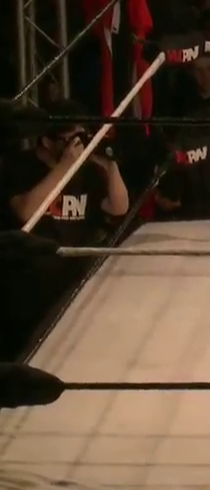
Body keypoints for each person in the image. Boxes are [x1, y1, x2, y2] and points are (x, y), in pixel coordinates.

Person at [1, 100, 129, 359]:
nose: (77, 145)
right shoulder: (19, 166)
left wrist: (109, 165)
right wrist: (63, 168)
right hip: (26, 286)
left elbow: (118, 207)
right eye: (71, 138)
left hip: (71, 282)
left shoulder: (88, 172)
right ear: (48, 141)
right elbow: (26, 212)